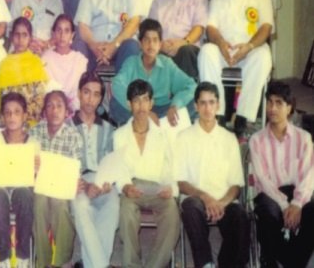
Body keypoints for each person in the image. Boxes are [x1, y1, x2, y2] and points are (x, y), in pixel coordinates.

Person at [198, 0, 273, 134]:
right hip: (224, 50)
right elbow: (211, 28)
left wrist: (249, 46)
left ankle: (243, 117)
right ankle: (218, 113)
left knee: (263, 55)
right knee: (206, 52)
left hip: (249, 51)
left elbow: (266, 28)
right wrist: (221, 44)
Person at [175, 81, 249, 268]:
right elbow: (181, 182)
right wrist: (205, 198)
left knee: (240, 216)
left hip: (224, 200)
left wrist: (220, 203)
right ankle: (205, 263)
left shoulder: (229, 138)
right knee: (190, 208)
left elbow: (236, 185)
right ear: (196, 106)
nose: (207, 108)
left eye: (211, 102)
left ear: (218, 105)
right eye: (202, 103)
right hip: (196, 199)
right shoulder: (183, 137)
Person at [113, 79, 180, 268]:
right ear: (129, 104)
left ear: (151, 103)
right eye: (136, 100)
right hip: (133, 188)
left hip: (158, 188)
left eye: (145, 100)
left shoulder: (163, 135)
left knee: (172, 214)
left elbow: (170, 168)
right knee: (126, 212)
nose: (141, 106)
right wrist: (125, 186)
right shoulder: (119, 135)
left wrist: (170, 188)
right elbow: (119, 169)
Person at [250, 81, 314, 268]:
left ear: (289, 107)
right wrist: (285, 205)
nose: (272, 108)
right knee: (268, 216)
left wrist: (297, 204)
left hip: (298, 193)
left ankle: (291, 261)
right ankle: (273, 260)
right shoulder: (256, 140)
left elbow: (308, 175)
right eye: (270, 102)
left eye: (279, 103)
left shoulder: (304, 138)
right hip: (269, 194)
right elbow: (262, 179)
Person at [70, 72, 119, 268]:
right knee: (81, 206)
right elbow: (64, 163)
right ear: (79, 93)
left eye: (96, 94)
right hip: (76, 182)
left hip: (101, 179)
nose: (90, 99)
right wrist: (84, 184)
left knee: (112, 203)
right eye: (86, 92)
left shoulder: (108, 128)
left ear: (100, 99)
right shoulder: (66, 126)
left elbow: (111, 162)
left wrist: (106, 182)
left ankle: (91, 264)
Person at [29, 90, 82, 268]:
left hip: (62, 187)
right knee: (39, 202)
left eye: (59, 106)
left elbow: (76, 170)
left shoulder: (73, 136)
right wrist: (33, 167)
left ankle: (62, 262)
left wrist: (73, 182)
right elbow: (27, 165)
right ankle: (43, 262)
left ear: (67, 112)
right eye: (50, 106)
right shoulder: (35, 132)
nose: (54, 110)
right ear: (44, 111)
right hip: (40, 186)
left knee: (60, 204)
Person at [110, 19, 196, 126]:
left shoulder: (167, 64)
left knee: (195, 100)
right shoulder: (132, 63)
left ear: (160, 44)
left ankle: (158, 126)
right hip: (138, 109)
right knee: (115, 104)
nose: (151, 45)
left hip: (163, 111)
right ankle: (145, 125)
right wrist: (144, 111)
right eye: (147, 40)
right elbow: (117, 84)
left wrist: (175, 105)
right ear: (140, 44)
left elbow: (190, 85)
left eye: (155, 40)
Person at [0, 93, 37, 268]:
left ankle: (23, 256)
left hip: (22, 188)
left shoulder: (33, 142)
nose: (11, 117)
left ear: (25, 115)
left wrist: (36, 169)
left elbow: (35, 177)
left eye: (17, 112)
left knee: (24, 194)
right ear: (2, 116)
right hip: (1, 187)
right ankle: (4, 257)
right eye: (7, 112)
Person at [0, 17, 49, 126]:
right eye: (17, 34)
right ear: (11, 36)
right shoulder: (4, 64)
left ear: (30, 38)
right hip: (9, 123)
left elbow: (40, 99)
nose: (20, 39)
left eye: (25, 35)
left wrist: (23, 118)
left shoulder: (36, 62)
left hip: (32, 123)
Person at [42, 14, 88, 112]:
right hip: (51, 110)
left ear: (72, 35)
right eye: (59, 30)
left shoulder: (80, 60)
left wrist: (70, 109)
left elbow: (78, 93)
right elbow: (45, 91)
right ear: (53, 33)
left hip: (74, 110)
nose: (62, 35)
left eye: (67, 31)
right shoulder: (45, 58)